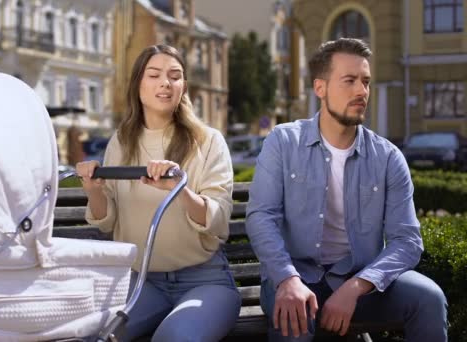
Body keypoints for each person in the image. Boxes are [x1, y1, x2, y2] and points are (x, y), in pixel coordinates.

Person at [246, 38, 448, 341]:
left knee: (429, 298)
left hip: (359, 282)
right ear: (320, 88)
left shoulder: (388, 157)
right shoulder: (283, 142)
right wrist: (287, 278)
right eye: (349, 81)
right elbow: (261, 217)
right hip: (293, 279)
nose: (361, 91)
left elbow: (407, 240)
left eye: (365, 82)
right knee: (293, 317)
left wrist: (357, 286)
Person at [76, 44, 241, 342]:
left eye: (174, 76)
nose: (165, 82)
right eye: (154, 75)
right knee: (91, 335)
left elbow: (218, 222)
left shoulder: (208, 141)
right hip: (142, 284)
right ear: (138, 84)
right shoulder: (121, 142)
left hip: (204, 280)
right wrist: (94, 191)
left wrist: (180, 188)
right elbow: (107, 222)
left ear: (183, 87)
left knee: (175, 338)